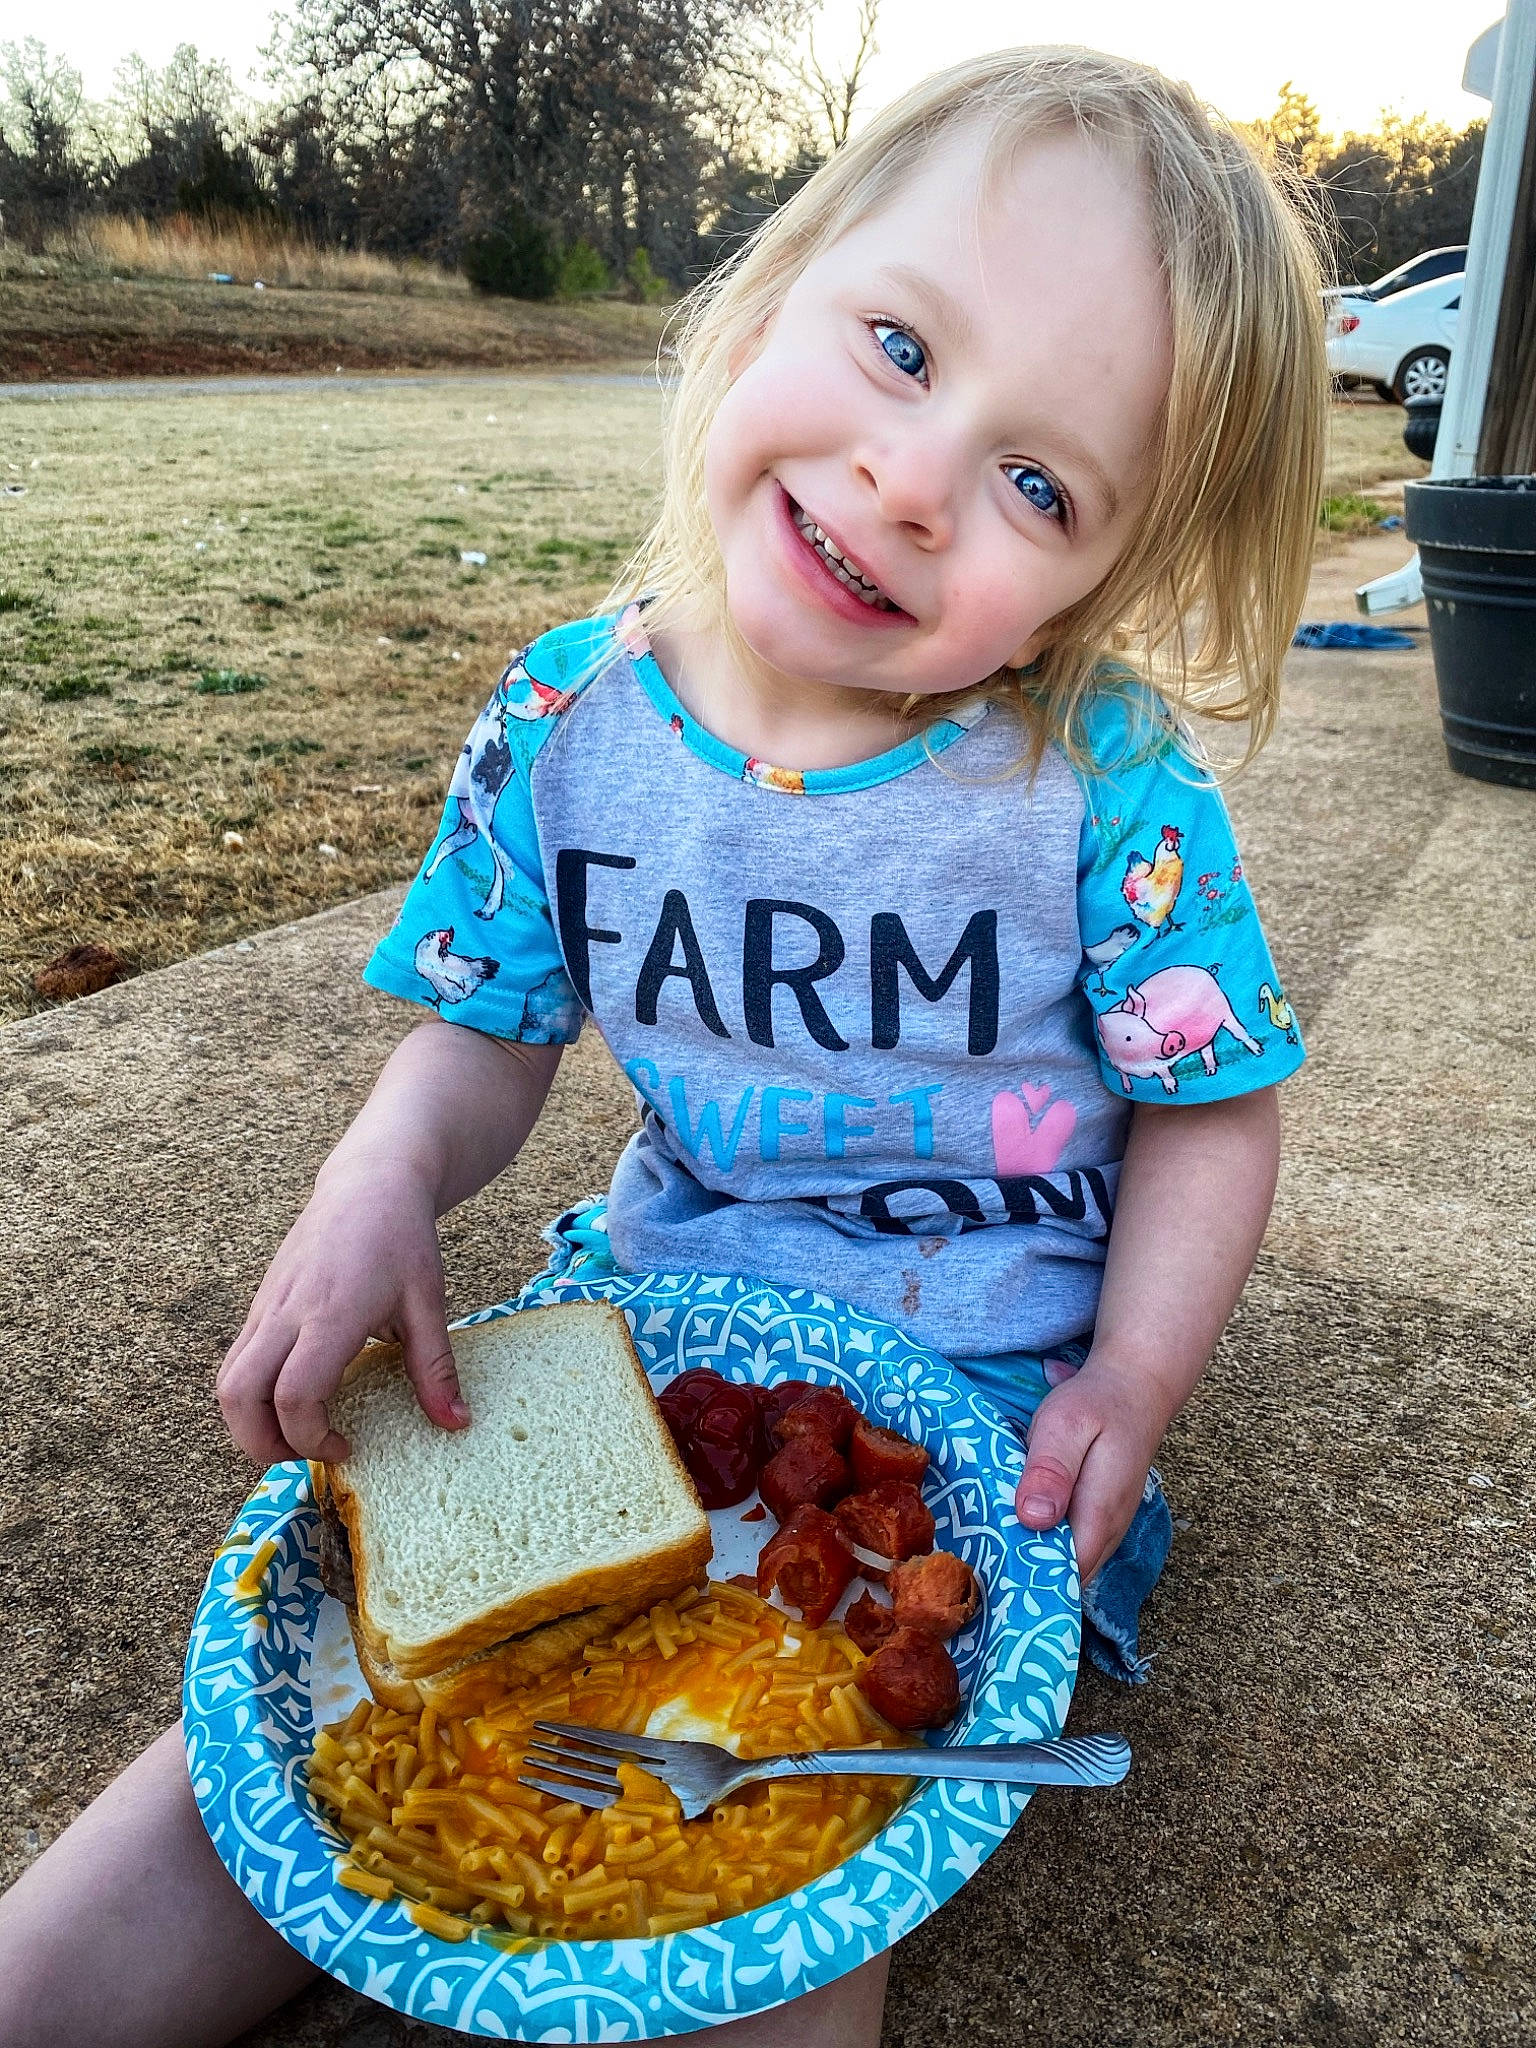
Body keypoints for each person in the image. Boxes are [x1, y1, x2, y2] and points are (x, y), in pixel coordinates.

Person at [0, 43, 1328, 2048]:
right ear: (773, 286)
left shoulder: (1098, 789)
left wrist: (1136, 1367)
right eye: (897, 346)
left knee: (784, 1861)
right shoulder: (566, 723)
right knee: (276, 1745)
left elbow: (1216, 1110)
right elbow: (487, 1033)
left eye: (1038, 483)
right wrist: (380, 1171)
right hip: (653, 1332)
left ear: (1090, 593)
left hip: (974, 1388)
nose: (911, 476)